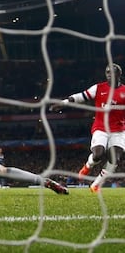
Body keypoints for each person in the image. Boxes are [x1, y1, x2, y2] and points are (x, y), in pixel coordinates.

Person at [50, 63, 125, 193]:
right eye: (107, 72)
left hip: (118, 131)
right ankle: (87, 166)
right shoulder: (98, 88)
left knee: (115, 158)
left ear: (119, 75)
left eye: (112, 72)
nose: (109, 75)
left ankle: (96, 185)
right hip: (101, 128)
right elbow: (81, 96)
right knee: (98, 154)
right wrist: (63, 103)